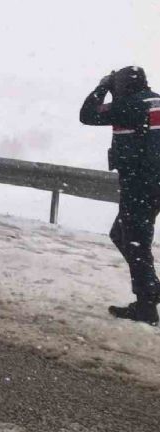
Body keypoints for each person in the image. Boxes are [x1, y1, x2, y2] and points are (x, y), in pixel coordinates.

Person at [80, 65, 160, 325]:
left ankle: (147, 306)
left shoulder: (128, 106)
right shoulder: (155, 100)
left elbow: (87, 114)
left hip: (140, 184)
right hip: (154, 184)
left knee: (136, 243)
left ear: (123, 85)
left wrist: (102, 86)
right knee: (123, 235)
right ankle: (151, 288)